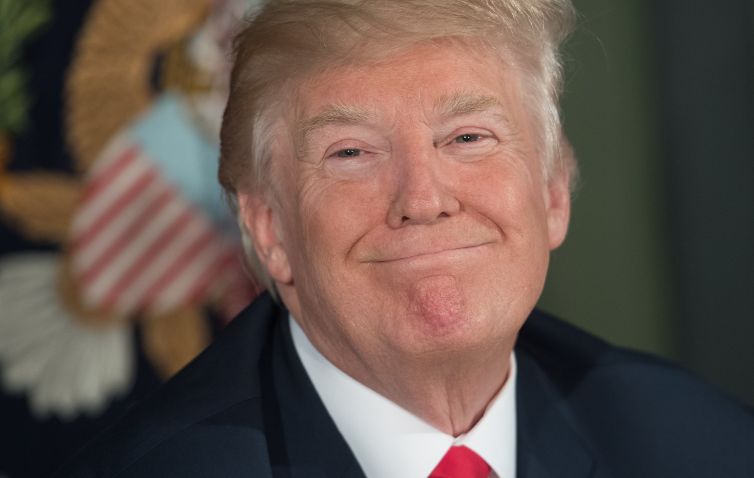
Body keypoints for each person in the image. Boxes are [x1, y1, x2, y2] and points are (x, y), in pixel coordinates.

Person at [58, 0, 754, 476]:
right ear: (269, 228)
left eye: (468, 138)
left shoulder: (700, 444)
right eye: (351, 153)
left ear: (552, 193)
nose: (423, 199)